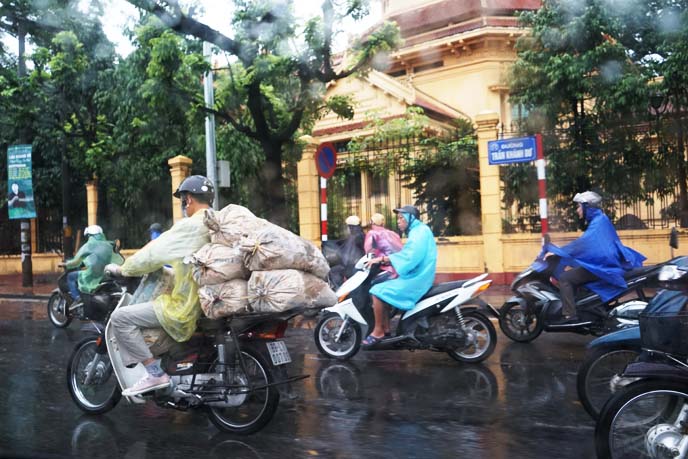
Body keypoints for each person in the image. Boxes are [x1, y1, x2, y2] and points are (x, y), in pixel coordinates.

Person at [106, 175, 214, 396]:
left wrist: (123, 270)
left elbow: (152, 254)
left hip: (185, 306)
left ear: (189, 199)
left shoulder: (191, 226)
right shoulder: (217, 222)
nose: (184, 204)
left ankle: (155, 374)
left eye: (184, 200)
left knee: (120, 318)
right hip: (208, 301)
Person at [544, 191, 646, 325]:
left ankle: (570, 315)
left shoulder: (597, 223)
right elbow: (586, 245)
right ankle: (582, 305)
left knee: (564, 278)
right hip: (606, 263)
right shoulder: (600, 220)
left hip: (604, 267)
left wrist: (557, 252)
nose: (577, 210)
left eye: (579, 206)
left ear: (588, 207)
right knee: (575, 267)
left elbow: (584, 244)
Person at [361, 205, 437, 345]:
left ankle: (378, 331)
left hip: (417, 278)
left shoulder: (418, 233)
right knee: (384, 289)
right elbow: (404, 252)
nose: (398, 221)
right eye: (398, 218)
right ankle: (387, 329)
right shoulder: (413, 231)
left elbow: (410, 256)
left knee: (376, 291)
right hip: (410, 273)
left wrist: (381, 259)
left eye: (401, 218)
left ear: (410, 218)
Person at [63, 225, 124, 303]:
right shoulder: (108, 245)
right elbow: (117, 259)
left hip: (92, 275)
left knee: (70, 277)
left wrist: (66, 264)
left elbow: (76, 262)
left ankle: (77, 299)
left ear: (90, 236)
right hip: (105, 275)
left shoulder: (88, 246)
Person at [328, 215, 366, 288]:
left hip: (352, 266)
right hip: (351, 265)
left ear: (350, 226)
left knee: (334, 271)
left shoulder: (357, 236)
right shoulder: (355, 235)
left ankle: (338, 291)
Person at [364, 213, 403, 280]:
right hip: (399, 269)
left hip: (385, 269)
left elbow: (368, 251)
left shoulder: (372, 233)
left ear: (372, 222)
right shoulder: (393, 234)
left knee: (366, 284)